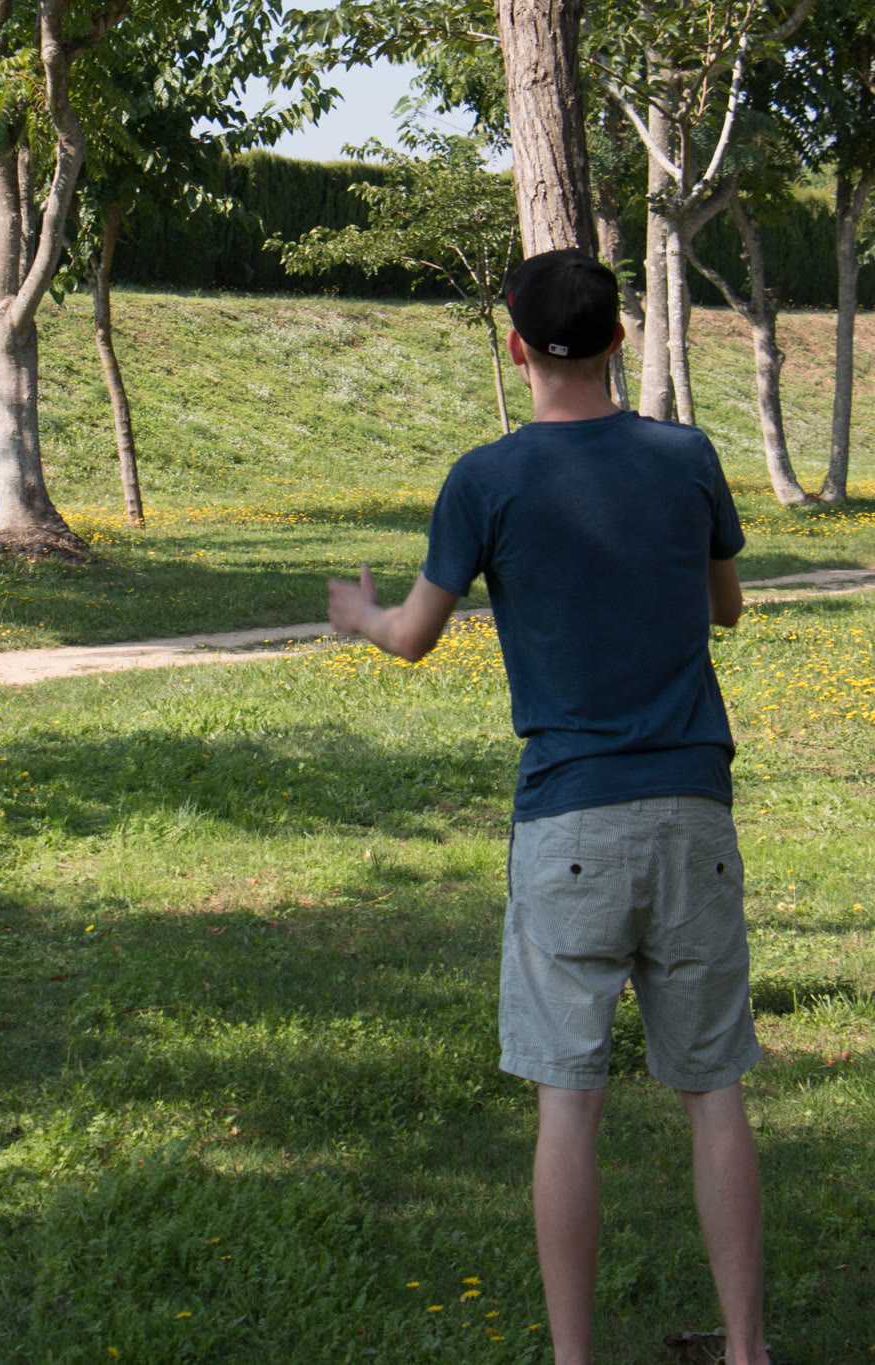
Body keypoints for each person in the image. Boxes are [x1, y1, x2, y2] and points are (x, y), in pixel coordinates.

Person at [327, 250, 765, 1365]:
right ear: (619, 338)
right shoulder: (686, 457)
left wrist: (359, 615)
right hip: (692, 811)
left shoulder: (486, 479)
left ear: (516, 347)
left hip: (568, 819)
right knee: (713, 1090)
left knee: (567, 1104)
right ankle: (746, 1350)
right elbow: (725, 609)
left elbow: (413, 637)